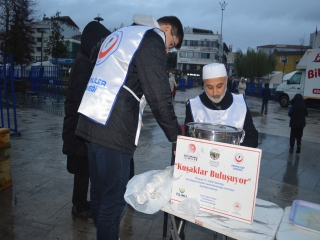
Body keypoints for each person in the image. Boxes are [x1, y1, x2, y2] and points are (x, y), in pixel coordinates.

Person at [75, 14, 183, 239]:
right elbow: (159, 95)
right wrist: (176, 136)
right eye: (171, 44)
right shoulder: (151, 38)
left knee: (98, 192)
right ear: (166, 28)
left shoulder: (123, 33)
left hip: (91, 121)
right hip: (113, 130)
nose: (167, 51)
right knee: (113, 202)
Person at [62, 21, 111, 222]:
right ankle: (78, 207)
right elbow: (84, 98)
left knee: (84, 169)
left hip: (80, 127)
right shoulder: (83, 63)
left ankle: (81, 202)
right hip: (79, 128)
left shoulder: (86, 60)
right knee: (82, 170)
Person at [185, 63, 258, 148]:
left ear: (226, 81)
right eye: (210, 87)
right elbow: (188, 141)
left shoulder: (240, 103)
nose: (215, 93)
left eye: (219, 86)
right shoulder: (193, 106)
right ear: (204, 84)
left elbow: (252, 137)